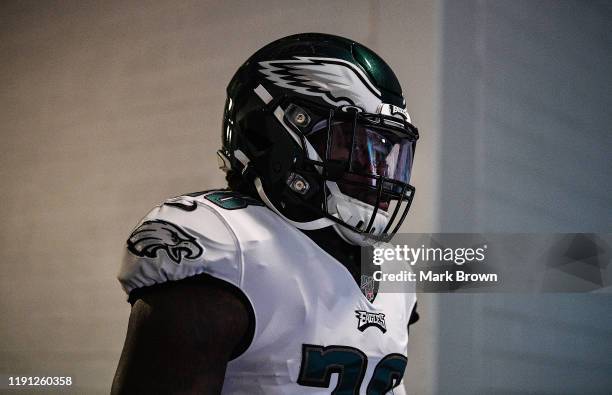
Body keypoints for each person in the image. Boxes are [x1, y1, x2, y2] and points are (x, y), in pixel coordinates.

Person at [111, 32, 420, 394]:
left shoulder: (389, 267)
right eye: (352, 145)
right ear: (276, 134)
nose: (376, 170)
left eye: (384, 152)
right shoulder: (226, 246)